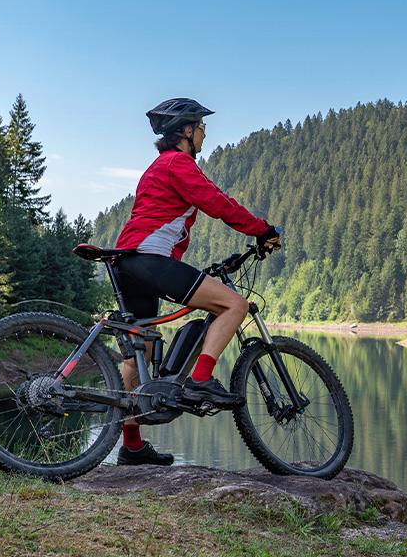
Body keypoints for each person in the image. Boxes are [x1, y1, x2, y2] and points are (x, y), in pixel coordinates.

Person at [113, 98, 281, 466]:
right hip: (150, 259)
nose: (205, 134)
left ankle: (132, 445)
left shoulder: (157, 166)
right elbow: (215, 201)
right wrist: (261, 230)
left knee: (138, 348)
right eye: (202, 127)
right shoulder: (178, 162)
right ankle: (200, 378)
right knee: (235, 305)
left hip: (127, 259)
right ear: (187, 131)